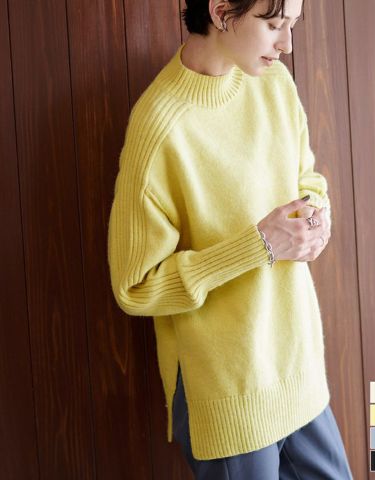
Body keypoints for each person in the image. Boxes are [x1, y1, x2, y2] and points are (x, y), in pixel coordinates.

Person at [107, 0, 354, 477]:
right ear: (221, 12)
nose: (287, 44)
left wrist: (316, 216)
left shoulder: (275, 84)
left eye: (292, 25)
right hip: (227, 391)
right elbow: (135, 287)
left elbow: (307, 179)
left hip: (298, 368)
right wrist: (258, 247)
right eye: (274, 24)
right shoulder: (160, 126)